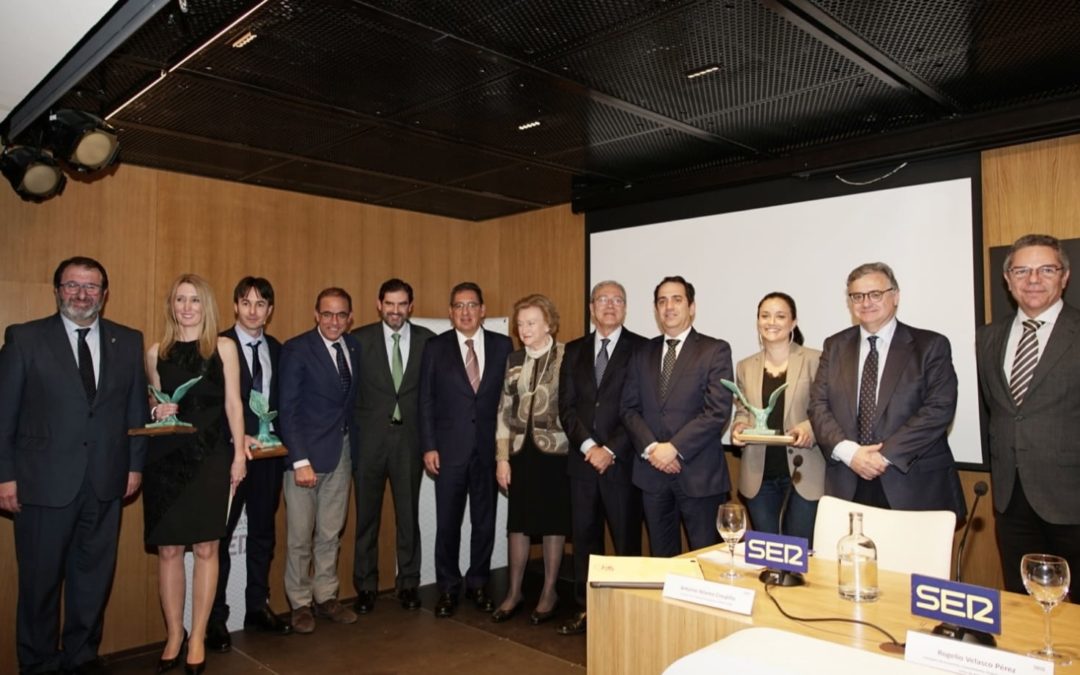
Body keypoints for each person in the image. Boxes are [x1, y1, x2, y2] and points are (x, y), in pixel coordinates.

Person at [0, 257, 147, 675]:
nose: (82, 295)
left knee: (92, 580)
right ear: (57, 289)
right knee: (40, 585)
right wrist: (3, 475)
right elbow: (3, 414)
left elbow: (134, 411)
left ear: (104, 293)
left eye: (91, 287)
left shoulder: (128, 341)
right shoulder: (25, 339)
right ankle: (39, 663)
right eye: (72, 286)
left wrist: (134, 467)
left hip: (105, 482)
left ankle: (81, 657)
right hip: (42, 485)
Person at [143, 273, 249, 674]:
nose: (186, 307)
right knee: (169, 552)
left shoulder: (223, 347)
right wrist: (157, 411)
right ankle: (174, 634)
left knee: (206, 550)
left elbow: (234, 407)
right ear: (171, 305)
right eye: (179, 300)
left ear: (206, 306)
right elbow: (156, 407)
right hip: (165, 463)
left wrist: (239, 456)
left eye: (194, 300)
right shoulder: (156, 353)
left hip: (211, 460)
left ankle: (199, 635)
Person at [808, 262, 965, 519]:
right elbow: (818, 406)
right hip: (848, 481)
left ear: (895, 296)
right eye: (857, 296)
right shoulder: (835, 345)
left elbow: (939, 409)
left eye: (875, 294)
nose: (866, 302)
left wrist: (883, 456)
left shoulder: (930, 345)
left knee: (912, 561)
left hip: (911, 484)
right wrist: (851, 454)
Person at [976, 234, 1080, 596]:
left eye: (1045, 269)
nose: (1033, 279)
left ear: (1064, 276)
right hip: (1010, 497)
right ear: (1007, 279)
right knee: (1020, 601)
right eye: (1021, 270)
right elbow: (1000, 410)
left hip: (1072, 498)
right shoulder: (987, 338)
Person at [205, 277, 291, 652]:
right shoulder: (216, 346)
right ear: (235, 306)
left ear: (270, 310)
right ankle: (215, 618)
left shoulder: (277, 348)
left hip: (269, 459)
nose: (253, 310)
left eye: (261, 304)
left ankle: (257, 606)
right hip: (229, 458)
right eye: (246, 303)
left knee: (262, 535)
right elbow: (209, 405)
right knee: (220, 538)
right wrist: (237, 438)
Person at [555, 281, 644, 636]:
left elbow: (639, 408)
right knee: (585, 541)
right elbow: (567, 407)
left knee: (626, 541)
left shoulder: (641, 349)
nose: (610, 305)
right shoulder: (574, 349)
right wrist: (588, 446)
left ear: (626, 307)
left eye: (617, 300)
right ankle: (587, 609)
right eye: (603, 299)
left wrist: (610, 449)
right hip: (582, 463)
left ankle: (629, 612)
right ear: (591, 307)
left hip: (622, 462)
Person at [419, 282, 513, 618]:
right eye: (458, 306)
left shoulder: (503, 345)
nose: (465, 311)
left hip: (489, 452)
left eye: (472, 305)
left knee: (484, 522)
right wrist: (428, 445)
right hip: (448, 451)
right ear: (450, 312)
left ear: (483, 309)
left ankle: (478, 583)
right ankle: (447, 587)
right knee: (447, 523)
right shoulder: (435, 347)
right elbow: (426, 399)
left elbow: (509, 399)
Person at [621, 276, 734, 556]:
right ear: (656, 309)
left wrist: (673, 449)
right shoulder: (641, 353)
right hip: (652, 475)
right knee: (662, 560)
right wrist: (652, 449)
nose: (668, 306)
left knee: (708, 560)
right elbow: (628, 408)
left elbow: (717, 410)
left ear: (692, 307)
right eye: (662, 301)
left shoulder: (714, 350)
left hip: (699, 473)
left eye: (677, 299)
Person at [279, 288, 361, 633]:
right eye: (327, 314)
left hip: (341, 452)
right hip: (306, 457)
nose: (334, 321)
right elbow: (288, 409)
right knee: (300, 534)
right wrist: (300, 460)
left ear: (349, 318)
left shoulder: (353, 348)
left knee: (330, 531)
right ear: (316, 315)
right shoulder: (297, 349)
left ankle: (326, 596)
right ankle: (299, 603)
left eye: (341, 315)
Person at [350, 278, 435, 613]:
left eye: (402, 304)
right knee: (366, 517)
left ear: (410, 306)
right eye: (390, 304)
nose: (395, 311)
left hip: (410, 442)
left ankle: (409, 582)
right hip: (369, 442)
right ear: (379, 303)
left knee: (407, 516)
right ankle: (366, 586)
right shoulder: (358, 341)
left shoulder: (429, 341)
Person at [492, 294, 570, 625]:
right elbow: (503, 411)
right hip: (520, 454)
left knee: (553, 523)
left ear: (548, 324)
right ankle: (514, 592)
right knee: (518, 524)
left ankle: (549, 591)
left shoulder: (567, 355)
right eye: (520, 323)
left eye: (531, 323)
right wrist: (502, 458)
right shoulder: (513, 360)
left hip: (556, 453)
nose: (524, 329)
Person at [730, 292, 823, 541]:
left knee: (800, 556)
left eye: (780, 316)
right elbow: (743, 409)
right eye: (765, 316)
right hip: (758, 476)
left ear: (793, 322)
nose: (771, 322)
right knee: (768, 556)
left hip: (804, 474)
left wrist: (809, 428)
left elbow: (826, 410)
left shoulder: (815, 359)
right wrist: (738, 427)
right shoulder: (745, 366)